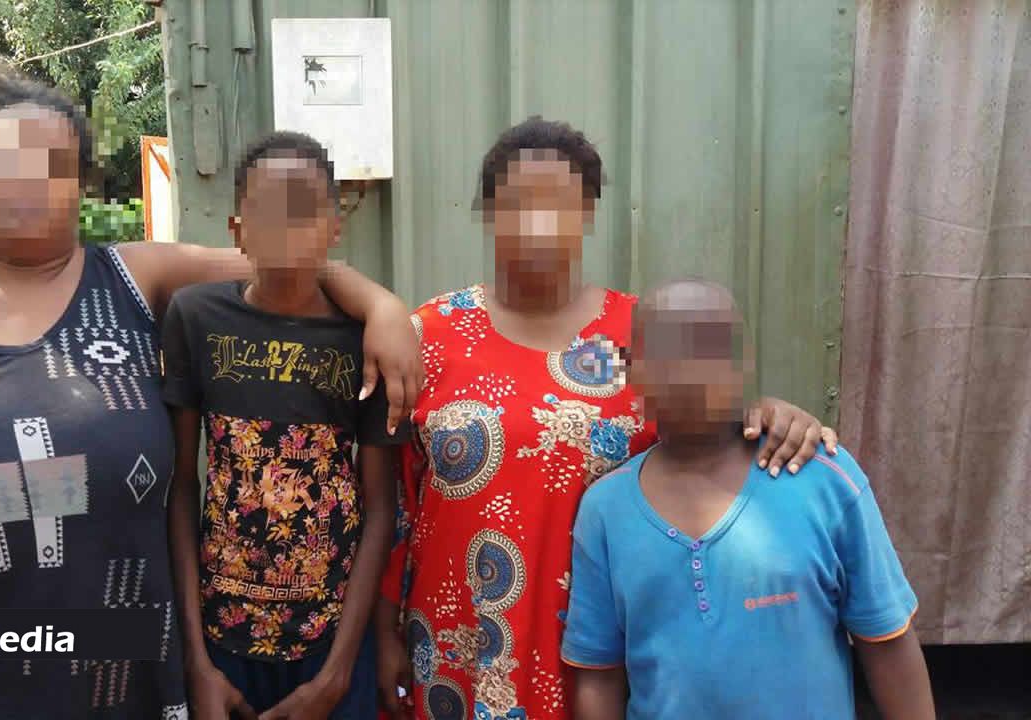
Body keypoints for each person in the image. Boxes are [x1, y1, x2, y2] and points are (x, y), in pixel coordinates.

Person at [0, 70, 421, 720]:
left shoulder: (133, 280)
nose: (30, 180)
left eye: (55, 165)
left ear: (82, 187)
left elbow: (291, 264)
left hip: (123, 683)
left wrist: (382, 307)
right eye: (8, 158)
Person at [375, 118, 840, 720]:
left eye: (560, 203)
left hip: (610, 651)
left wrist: (768, 415)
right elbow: (399, 503)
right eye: (517, 203)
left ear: (589, 213)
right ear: (488, 212)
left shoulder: (642, 335)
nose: (538, 222)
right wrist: (384, 634)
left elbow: (710, 432)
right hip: (459, 647)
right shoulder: (430, 336)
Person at [561, 278, 934, 719]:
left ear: (745, 363)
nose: (691, 368)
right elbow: (600, 675)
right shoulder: (606, 510)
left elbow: (887, 642)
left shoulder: (822, 477)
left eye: (713, 347)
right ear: (634, 371)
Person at [163, 131, 409, 720]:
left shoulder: (365, 339)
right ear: (238, 230)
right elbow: (181, 486)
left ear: (334, 228)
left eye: (305, 209)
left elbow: (381, 508)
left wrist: (338, 673)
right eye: (267, 210)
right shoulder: (196, 318)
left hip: (331, 641)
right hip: (223, 640)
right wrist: (197, 660)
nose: (287, 226)